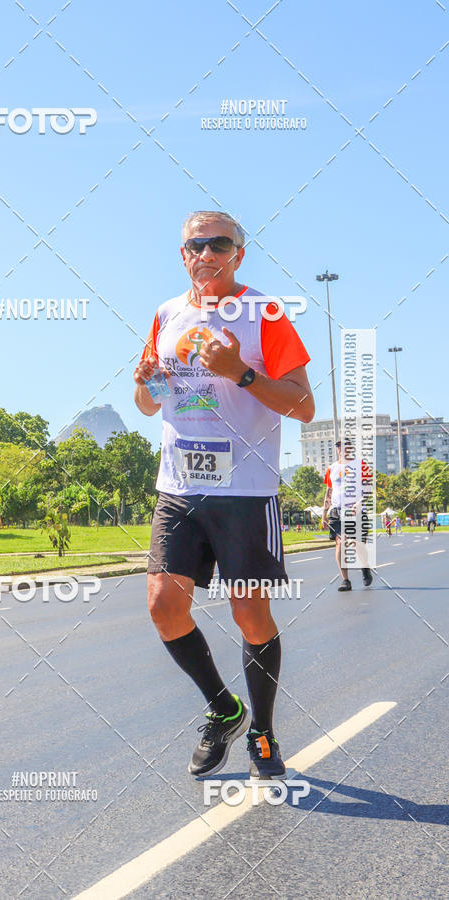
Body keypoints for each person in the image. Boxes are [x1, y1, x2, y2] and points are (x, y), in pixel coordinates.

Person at [133, 210, 314, 779]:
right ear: (181, 252)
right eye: (194, 244)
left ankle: (261, 729)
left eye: (218, 244)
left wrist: (241, 372)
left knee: (249, 613)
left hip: (246, 489)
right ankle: (223, 708)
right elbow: (148, 403)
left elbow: (303, 406)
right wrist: (144, 383)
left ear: (239, 253)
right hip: (179, 485)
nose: (205, 253)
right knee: (164, 607)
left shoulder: (266, 314)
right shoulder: (166, 315)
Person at [322, 440, 373, 592]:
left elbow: (369, 488)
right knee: (340, 543)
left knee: (356, 543)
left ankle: (365, 567)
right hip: (337, 511)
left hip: (355, 510)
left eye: (346, 447)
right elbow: (329, 491)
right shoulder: (332, 468)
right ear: (337, 450)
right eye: (339, 447)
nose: (342, 449)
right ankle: (345, 580)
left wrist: (359, 503)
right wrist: (324, 513)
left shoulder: (360, 465)